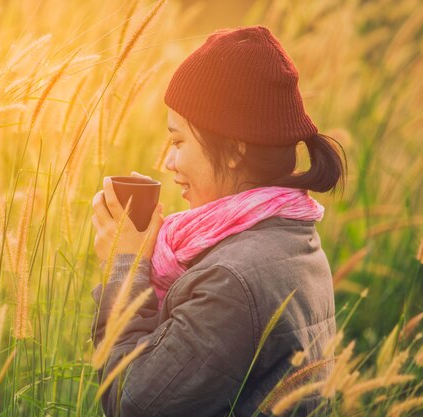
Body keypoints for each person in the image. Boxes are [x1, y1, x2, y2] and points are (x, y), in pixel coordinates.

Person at [90, 25, 346, 417]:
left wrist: (126, 267)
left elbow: (134, 403)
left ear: (234, 151)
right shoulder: (296, 236)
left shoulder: (230, 279)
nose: (169, 163)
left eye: (178, 143)